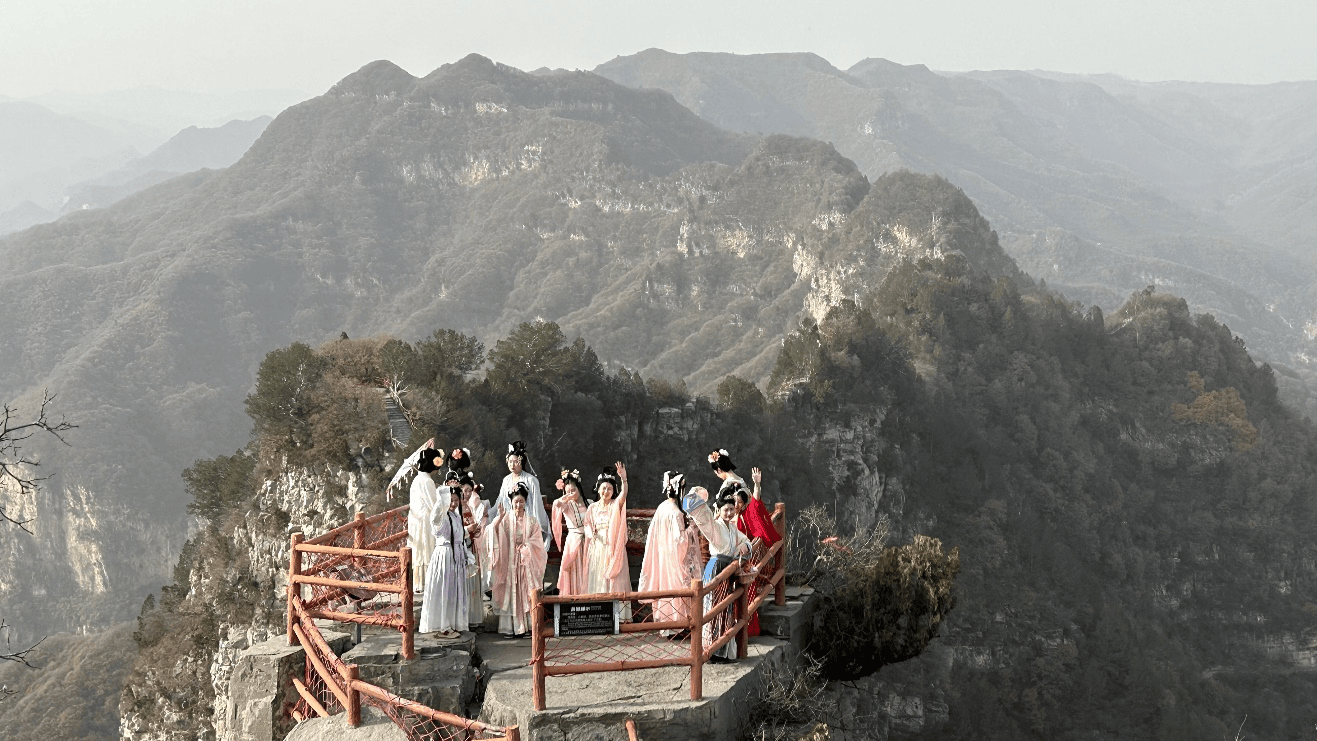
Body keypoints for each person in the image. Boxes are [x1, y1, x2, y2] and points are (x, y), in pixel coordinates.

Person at [684, 485, 751, 662]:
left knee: (725, 607)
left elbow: (745, 541)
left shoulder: (732, 528)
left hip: (726, 568)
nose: (729, 513)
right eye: (725, 510)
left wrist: (744, 546)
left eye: (731, 509)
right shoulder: (715, 525)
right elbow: (701, 514)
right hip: (715, 568)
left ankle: (722, 648)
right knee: (713, 607)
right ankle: (711, 649)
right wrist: (699, 495)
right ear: (719, 510)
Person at [638, 471, 699, 632]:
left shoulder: (662, 507)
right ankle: (679, 625)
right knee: (677, 588)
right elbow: (680, 543)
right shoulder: (677, 513)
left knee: (664, 588)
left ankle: (666, 626)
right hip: (674, 560)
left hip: (662, 557)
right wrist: (691, 528)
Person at [486, 483, 549, 636]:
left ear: (526, 501)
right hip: (510, 561)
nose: (519, 505)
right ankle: (510, 627)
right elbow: (492, 532)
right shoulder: (506, 519)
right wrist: (499, 518)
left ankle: (526, 627)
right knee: (511, 592)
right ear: (511, 502)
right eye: (516, 502)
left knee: (526, 592)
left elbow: (537, 542)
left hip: (526, 561)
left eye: (521, 501)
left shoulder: (532, 521)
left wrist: (526, 546)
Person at [418, 488, 471, 638]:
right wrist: (442, 497)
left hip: (455, 555)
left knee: (453, 590)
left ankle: (452, 623)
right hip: (444, 556)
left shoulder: (455, 515)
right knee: (444, 589)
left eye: (456, 500)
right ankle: (443, 626)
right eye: (451, 500)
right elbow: (434, 519)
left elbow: (459, 535)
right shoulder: (441, 516)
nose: (453, 503)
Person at [734, 469, 780, 637]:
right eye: (734, 501)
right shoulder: (732, 515)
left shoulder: (748, 512)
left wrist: (757, 484)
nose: (736, 504)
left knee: (749, 596)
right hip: (734, 559)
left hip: (747, 560)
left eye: (739, 502)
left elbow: (756, 499)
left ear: (745, 503)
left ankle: (748, 631)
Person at [586, 462, 632, 621]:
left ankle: (616, 617)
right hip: (598, 545)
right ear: (598, 489)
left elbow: (624, 495)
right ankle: (599, 616)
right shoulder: (592, 508)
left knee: (614, 580)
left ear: (613, 492)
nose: (606, 491)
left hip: (613, 547)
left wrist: (623, 479)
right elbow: (587, 524)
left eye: (610, 489)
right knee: (599, 579)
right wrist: (590, 533)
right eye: (604, 488)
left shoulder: (615, 505)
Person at [494, 441, 551, 548]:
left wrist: (535, 525)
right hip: (510, 519)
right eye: (510, 461)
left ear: (521, 461)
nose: (512, 464)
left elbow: (536, 504)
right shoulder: (506, 480)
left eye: (515, 461)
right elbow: (501, 501)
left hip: (526, 519)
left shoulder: (531, 480)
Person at [406, 448, 443, 591]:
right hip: (425, 520)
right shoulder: (428, 482)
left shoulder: (417, 479)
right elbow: (433, 505)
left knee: (418, 550)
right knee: (427, 548)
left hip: (415, 519)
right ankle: (428, 582)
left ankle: (417, 583)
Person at [550, 469, 590, 596]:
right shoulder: (566, 505)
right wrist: (566, 496)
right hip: (574, 541)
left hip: (588, 541)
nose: (571, 493)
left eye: (573, 490)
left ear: (579, 488)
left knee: (588, 571)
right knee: (574, 571)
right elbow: (556, 504)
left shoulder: (589, 503)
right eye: (568, 491)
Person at [459, 473, 488, 628]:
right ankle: (464, 621)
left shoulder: (472, 506)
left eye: (470, 490)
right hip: (461, 549)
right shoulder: (455, 508)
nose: (467, 493)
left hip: (473, 547)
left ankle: (474, 620)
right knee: (464, 586)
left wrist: (477, 529)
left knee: (474, 585)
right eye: (464, 490)